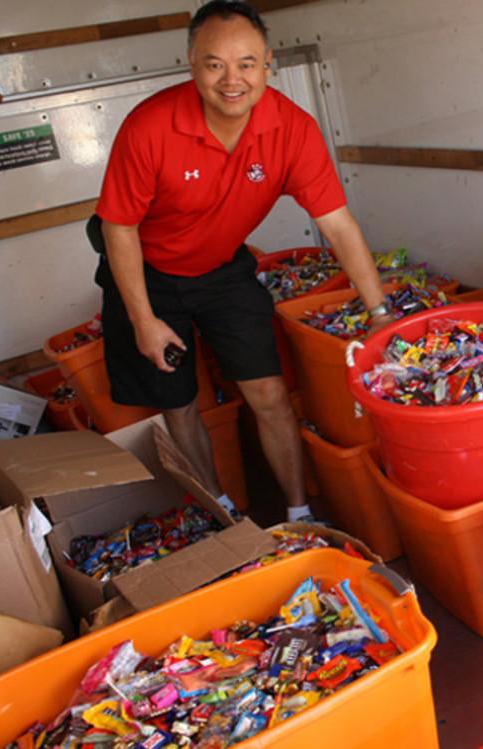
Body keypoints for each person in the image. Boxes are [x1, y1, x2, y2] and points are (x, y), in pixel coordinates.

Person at [94, 0, 390, 523]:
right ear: (191, 64)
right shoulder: (149, 127)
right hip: (149, 275)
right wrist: (143, 320)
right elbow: (119, 228)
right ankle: (224, 514)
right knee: (181, 403)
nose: (232, 80)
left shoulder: (292, 128)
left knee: (269, 393)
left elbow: (338, 224)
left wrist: (381, 315)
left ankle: (300, 513)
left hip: (222, 270)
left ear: (268, 64)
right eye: (215, 64)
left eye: (246, 63)